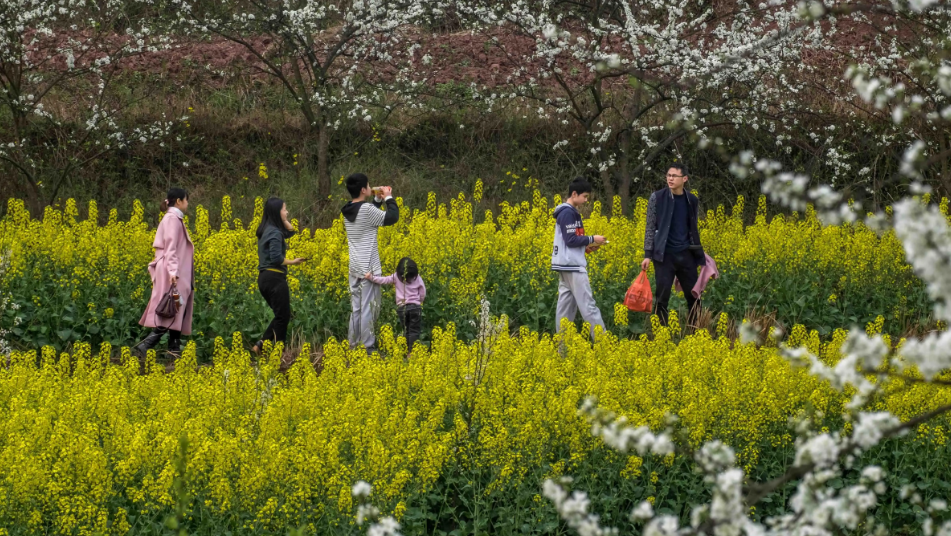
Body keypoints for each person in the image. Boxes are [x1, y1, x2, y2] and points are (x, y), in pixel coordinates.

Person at [641, 163, 707, 326]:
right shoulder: (657, 197)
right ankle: (660, 334)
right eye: (668, 175)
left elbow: (692, 227)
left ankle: (695, 333)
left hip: (686, 255)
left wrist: (698, 253)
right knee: (662, 298)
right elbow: (650, 226)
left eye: (674, 176)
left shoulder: (691, 200)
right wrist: (648, 254)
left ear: (684, 179)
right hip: (664, 256)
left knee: (694, 297)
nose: (670, 179)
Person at [342, 173, 399, 352]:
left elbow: (368, 218)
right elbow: (392, 217)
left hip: (355, 267)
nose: (370, 185)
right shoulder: (366, 210)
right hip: (369, 269)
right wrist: (388, 197)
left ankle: (353, 344)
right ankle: (367, 346)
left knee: (356, 309)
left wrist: (376, 199)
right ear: (362, 189)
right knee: (369, 308)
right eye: (368, 185)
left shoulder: (348, 209)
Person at [135, 187, 195, 358]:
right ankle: (146, 345)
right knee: (171, 306)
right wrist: (173, 272)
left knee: (176, 307)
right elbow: (170, 248)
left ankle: (173, 350)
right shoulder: (172, 219)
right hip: (172, 271)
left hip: (175, 270)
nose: (187, 203)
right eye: (186, 200)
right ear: (179, 201)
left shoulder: (175, 219)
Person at [551, 177, 607, 338]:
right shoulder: (568, 213)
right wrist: (591, 239)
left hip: (564, 266)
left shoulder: (565, 212)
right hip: (573, 268)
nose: (586, 200)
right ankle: (603, 345)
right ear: (574, 194)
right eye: (585, 196)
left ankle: (563, 350)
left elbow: (570, 241)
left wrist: (588, 248)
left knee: (564, 313)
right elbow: (571, 240)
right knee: (589, 308)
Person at [251, 198, 308, 355]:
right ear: (277, 212)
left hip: (265, 279)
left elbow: (290, 232)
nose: (287, 211)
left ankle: (261, 344)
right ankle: (279, 353)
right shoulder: (275, 233)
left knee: (281, 315)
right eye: (284, 209)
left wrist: (284, 219)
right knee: (283, 317)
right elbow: (276, 258)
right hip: (274, 278)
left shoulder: (267, 229)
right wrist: (294, 262)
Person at [364, 257, 426, 351]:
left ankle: (405, 350)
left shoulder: (396, 276)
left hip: (402, 308)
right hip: (415, 308)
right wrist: (420, 301)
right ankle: (411, 352)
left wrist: (371, 277)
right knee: (414, 331)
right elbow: (422, 291)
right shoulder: (417, 277)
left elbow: (384, 280)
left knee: (406, 330)